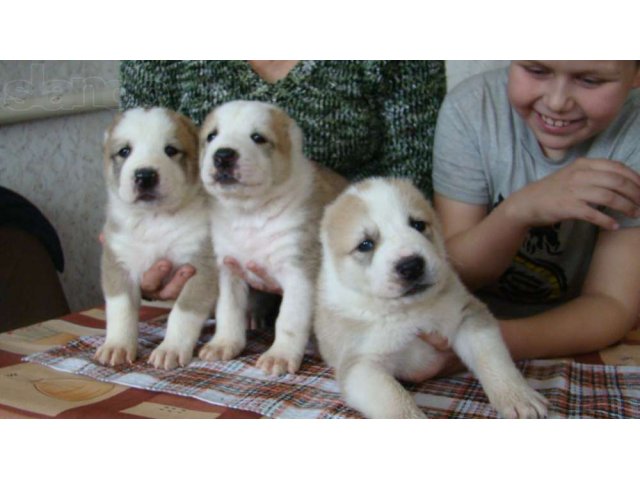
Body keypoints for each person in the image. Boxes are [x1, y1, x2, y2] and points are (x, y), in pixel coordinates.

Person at [117, 60, 446, 299]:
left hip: (364, 288)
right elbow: (141, 158)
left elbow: (408, 196)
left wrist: (334, 265)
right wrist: (149, 254)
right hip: (212, 285)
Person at [431, 61, 640, 367]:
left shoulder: (633, 133)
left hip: (570, 331)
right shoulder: (473, 108)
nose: (556, 102)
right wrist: (518, 212)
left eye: (591, 80)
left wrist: (489, 344)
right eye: (536, 71)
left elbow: (613, 304)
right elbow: (453, 274)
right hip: (462, 313)